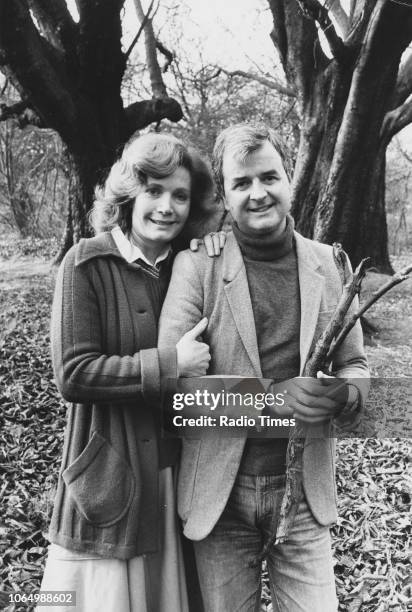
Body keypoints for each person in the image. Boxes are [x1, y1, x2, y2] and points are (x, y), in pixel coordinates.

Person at [158, 123, 370, 611]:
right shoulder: (199, 266)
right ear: (225, 195)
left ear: (289, 178)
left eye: (269, 177)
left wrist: (343, 393)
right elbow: (173, 389)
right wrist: (273, 402)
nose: (258, 193)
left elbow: (355, 364)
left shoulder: (330, 265)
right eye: (241, 183)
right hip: (221, 497)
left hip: (305, 498)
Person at [38, 132, 222, 612]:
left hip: (172, 479)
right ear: (128, 195)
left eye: (180, 195)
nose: (167, 206)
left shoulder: (190, 268)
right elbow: (73, 373)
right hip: (108, 478)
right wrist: (170, 365)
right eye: (154, 191)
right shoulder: (85, 262)